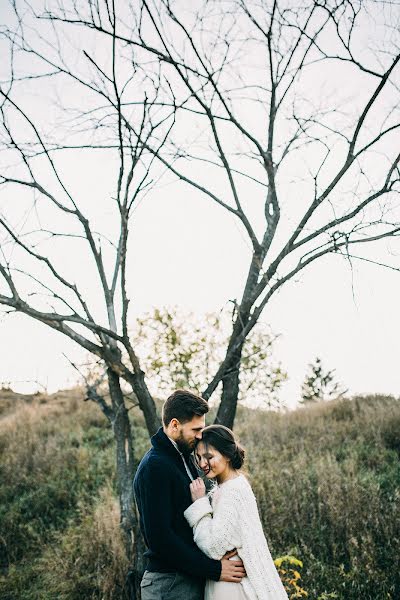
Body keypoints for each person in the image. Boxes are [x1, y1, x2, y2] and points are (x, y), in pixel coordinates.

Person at [133, 390, 246, 600]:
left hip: (190, 577)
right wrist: (214, 569)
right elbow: (160, 539)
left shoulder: (184, 458)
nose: (200, 435)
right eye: (196, 429)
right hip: (169, 584)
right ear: (175, 425)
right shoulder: (155, 466)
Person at [184, 424, 289, 600]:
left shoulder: (232, 491)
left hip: (232, 586)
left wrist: (200, 504)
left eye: (209, 456)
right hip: (229, 581)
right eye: (199, 457)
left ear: (227, 455)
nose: (202, 463)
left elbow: (213, 548)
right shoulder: (230, 486)